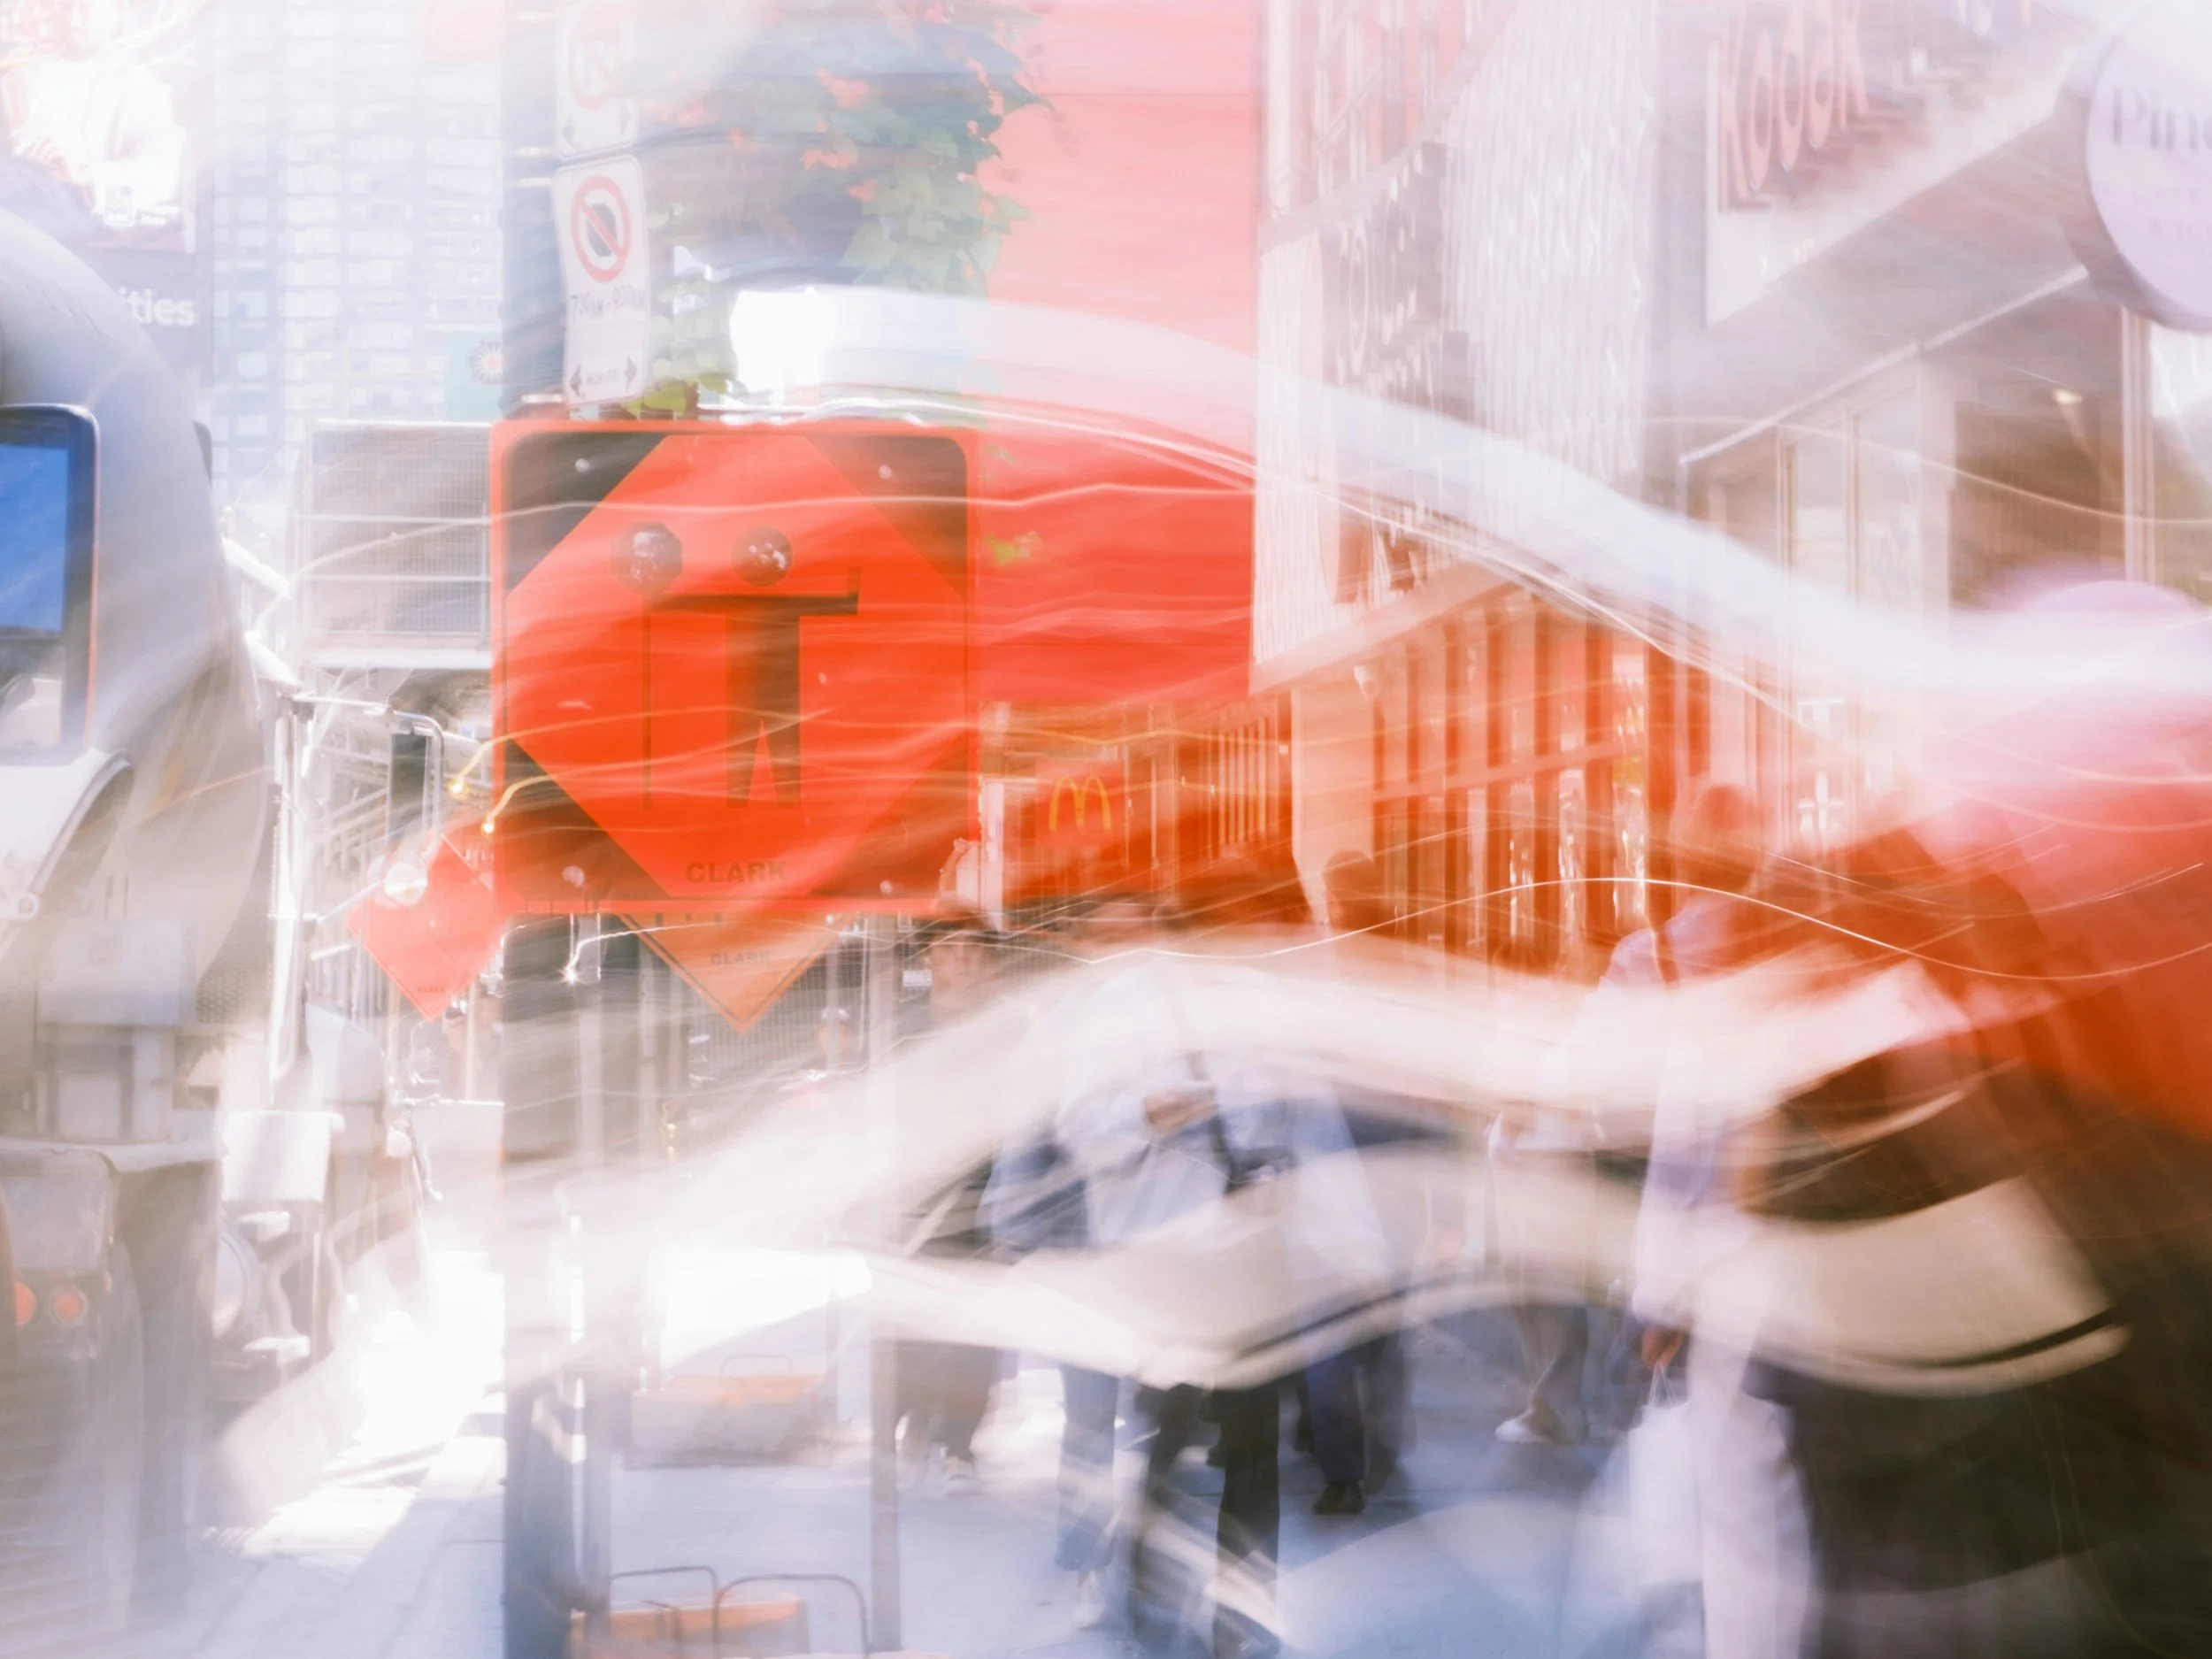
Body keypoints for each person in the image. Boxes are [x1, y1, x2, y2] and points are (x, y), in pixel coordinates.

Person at [1624, 781, 1814, 1659]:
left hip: (1723, 1260)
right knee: (1787, 1498)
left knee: (1738, 1505)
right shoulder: (1803, 952)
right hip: (1803, 1259)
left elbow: (1682, 1152)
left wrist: (1656, 1297)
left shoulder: (1668, 964)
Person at [893, 914, 1006, 1496]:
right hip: (914, 1196)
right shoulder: (902, 1029)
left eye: (971, 948)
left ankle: (959, 1442)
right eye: (949, 947)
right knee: (910, 1321)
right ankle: (913, 1424)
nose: (961, 957)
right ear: (929, 957)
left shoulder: (1005, 1028)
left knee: (976, 1328)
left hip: (985, 1194)